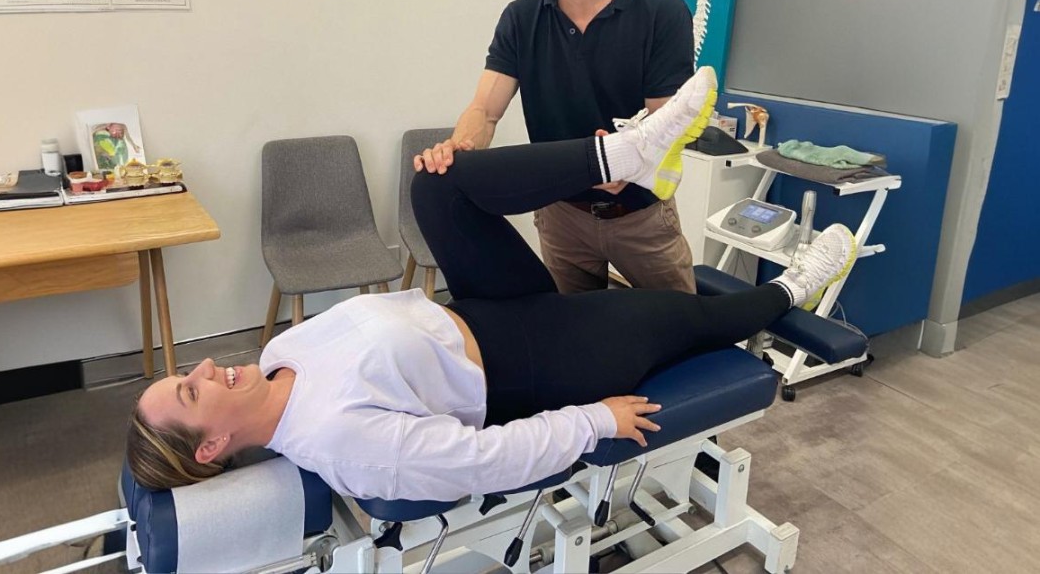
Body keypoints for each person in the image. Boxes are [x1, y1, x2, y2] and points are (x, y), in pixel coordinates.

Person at [128, 69, 857, 500]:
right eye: (192, 391)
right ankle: (797, 286)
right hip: (532, 363)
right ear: (213, 446)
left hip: (481, 306)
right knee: (683, 316)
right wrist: (593, 421)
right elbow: (483, 462)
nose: (201, 369)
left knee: (435, 186)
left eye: (181, 373)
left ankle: (622, 154)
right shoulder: (340, 441)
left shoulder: (279, 359)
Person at [416, 0, 698, 295]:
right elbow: (485, 111)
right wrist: (458, 149)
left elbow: (667, 127)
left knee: (680, 340)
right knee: (571, 344)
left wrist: (631, 158)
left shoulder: (662, 13)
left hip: (642, 219)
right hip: (562, 217)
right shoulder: (521, 18)